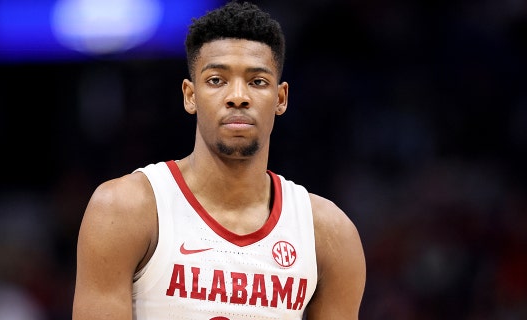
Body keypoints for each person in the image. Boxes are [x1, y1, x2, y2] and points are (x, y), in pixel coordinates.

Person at [72, 1, 366, 319]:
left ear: (280, 99)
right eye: (216, 80)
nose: (237, 96)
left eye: (257, 82)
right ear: (190, 95)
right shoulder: (124, 209)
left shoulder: (329, 233)